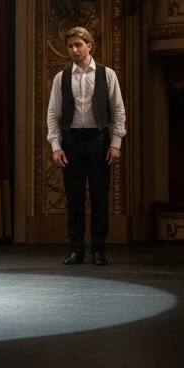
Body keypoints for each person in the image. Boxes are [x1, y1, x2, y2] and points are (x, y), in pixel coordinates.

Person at [46, 26, 126, 266]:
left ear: (89, 45)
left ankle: (99, 249)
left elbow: (118, 110)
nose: (74, 50)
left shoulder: (107, 74)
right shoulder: (61, 77)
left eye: (78, 45)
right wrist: (56, 146)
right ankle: (76, 249)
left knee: (100, 198)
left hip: (99, 140)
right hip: (72, 141)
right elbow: (53, 114)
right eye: (70, 46)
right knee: (74, 198)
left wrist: (116, 143)